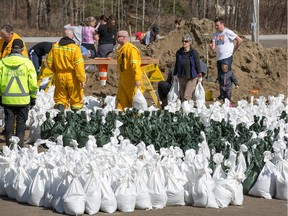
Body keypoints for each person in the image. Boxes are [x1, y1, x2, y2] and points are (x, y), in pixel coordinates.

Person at [0, 39, 38, 147]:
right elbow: (33, 83)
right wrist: (33, 97)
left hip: (7, 99)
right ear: (22, 49)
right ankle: (20, 146)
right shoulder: (27, 63)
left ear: (11, 48)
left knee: (8, 120)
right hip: (23, 99)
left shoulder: (2, 63)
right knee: (21, 122)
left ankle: (8, 145)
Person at [46, 29, 86, 112]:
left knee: (60, 99)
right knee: (76, 100)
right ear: (72, 37)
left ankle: (59, 117)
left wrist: (56, 70)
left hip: (59, 76)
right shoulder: (75, 48)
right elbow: (79, 66)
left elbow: (49, 61)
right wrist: (82, 79)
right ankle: (75, 119)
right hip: (72, 77)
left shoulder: (55, 46)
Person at [115, 30, 143, 110]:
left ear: (124, 38)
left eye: (118, 36)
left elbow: (135, 65)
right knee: (121, 102)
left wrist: (137, 79)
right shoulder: (121, 50)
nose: (116, 38)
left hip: (132, 82)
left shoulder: (131, 49)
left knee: (134, 102)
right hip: (123, 81)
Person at [173, 33, 202, 102]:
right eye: (183, 41)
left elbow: (197, 64)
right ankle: (186, 110)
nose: (184, 43)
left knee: (187, 95)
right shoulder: (179, 52)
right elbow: (177, 64)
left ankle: (187, 109)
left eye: (186, 41)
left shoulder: (194, 53)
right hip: (182, 76)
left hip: (192, 77)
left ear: (190, 42)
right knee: (183, 96)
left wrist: (200, 75)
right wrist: (175, 74)